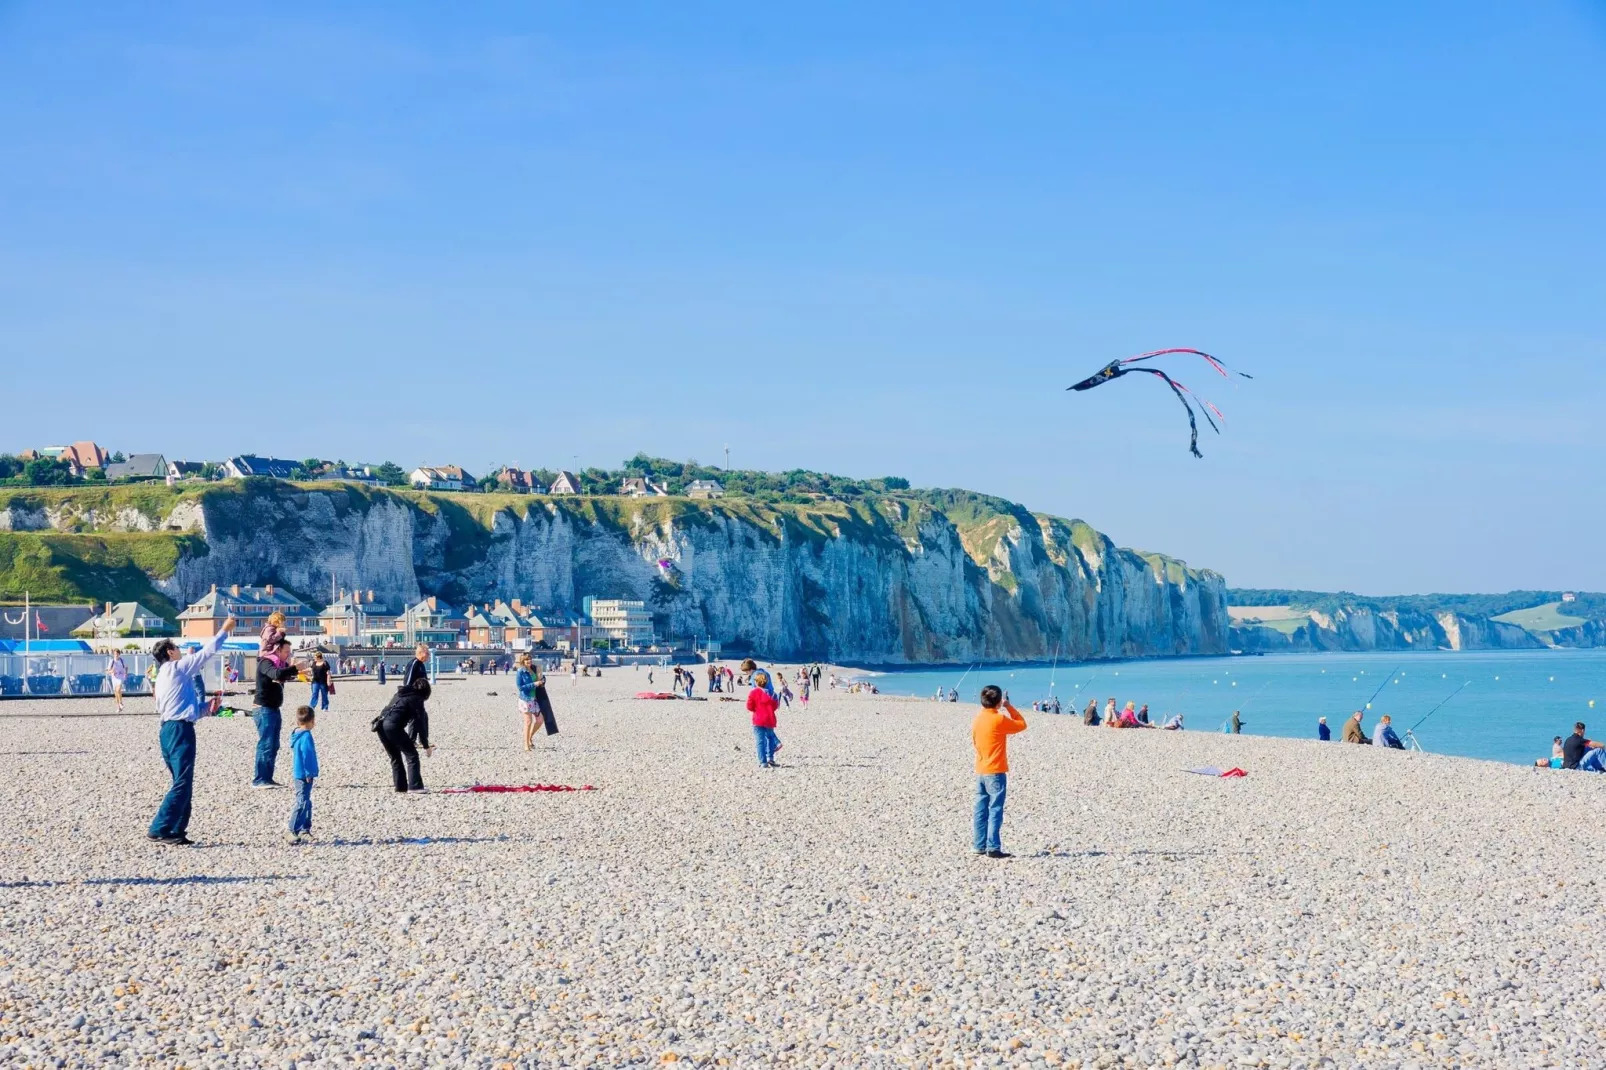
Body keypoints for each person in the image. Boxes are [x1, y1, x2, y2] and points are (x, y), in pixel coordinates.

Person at [146, 617, 236, 845]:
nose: (180, 650)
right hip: (179, 730)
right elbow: (206, 653)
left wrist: (207, 709)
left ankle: (177, 829)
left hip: (168, 728)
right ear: (169, 652)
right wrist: (224, 631)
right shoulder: (176, 668)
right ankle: (160, 828)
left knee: (182, 780)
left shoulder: (163, 677)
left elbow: (182, 708)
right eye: (176, 648)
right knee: (182, 782)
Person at [971, 684, 1026, 859]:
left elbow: (974, 741)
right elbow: (1021, 724)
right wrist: (1008, 706)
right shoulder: (998, 719)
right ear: (998, 702)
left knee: (980, 809)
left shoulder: (978, 718)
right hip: (995, 771)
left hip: (980, 769)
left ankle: (979, 845)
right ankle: (993, 847)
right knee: (995, 809)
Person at [376, 644, 434, 793]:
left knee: (396, 757)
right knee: (412, 755)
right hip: (392, 726)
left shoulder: (399, 696)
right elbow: (420, 723)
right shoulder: (415, 696)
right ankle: (415, 786)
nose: (428, 657)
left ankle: (400, 787)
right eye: (426, 654)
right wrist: (426, 746)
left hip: (380, 724)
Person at [253, 638, 302, 787]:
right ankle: (260, 779)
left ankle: (267, 778)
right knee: (266, 744)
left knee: (274, 745)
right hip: (263, 709)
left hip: (273, 708)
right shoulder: (266, 662)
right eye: (286, 651)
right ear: (277, 650)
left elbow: (284, 674)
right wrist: (293, 668)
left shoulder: (279, 664)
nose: (288, 654)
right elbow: (276, 674)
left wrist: (298, 671)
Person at [288, 705, 319, 843]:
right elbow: (308, 755)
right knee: (302, 802)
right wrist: (310, 772)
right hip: (304, 774)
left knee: (306, 801)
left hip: (298, 772)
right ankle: (291, 830)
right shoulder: (306, 736)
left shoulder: (296, 733)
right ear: (312, 721)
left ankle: (304, 829)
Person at [748, 670, 781, 767]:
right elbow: (775, 706)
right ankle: (770, 758)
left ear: (756, 682)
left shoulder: (753, 693)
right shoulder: (773, 694)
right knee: (770, 738)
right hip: (770, 719)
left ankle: (763, 762)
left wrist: (756, 709)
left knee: (760, 741)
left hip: (758, 719)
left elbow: (749, 706)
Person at [515, 653, 541, 750]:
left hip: (534, 699)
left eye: (530, 659)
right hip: (525, 699)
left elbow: (539, 678)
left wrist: (542, 680)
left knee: (540, 720)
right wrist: (534, 684)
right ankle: (526, 744)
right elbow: (520, 687)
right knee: (528, 722)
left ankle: (530, 737)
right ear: (523, 662)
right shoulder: (520, 672)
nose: (529, 661)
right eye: (526, 660)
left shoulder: (533, 669)